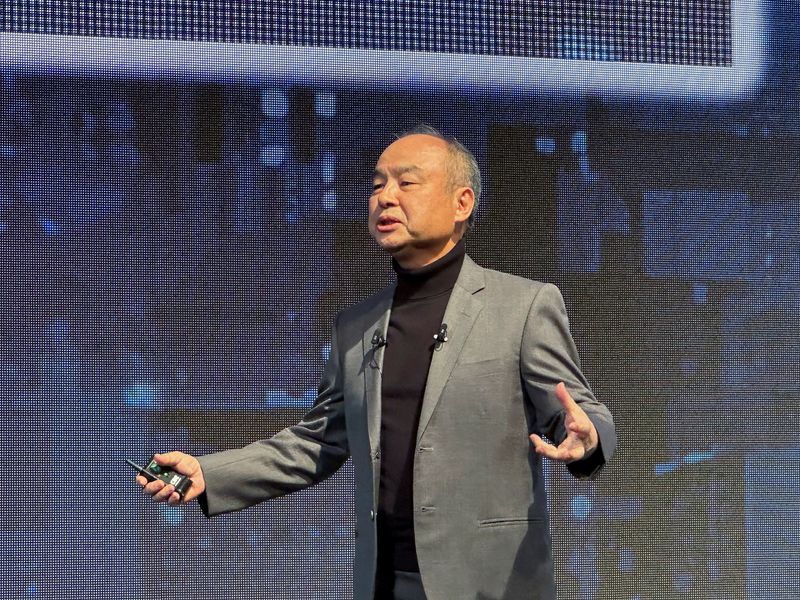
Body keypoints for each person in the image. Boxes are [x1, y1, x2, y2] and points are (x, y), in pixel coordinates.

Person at [137, 126, 616, 600]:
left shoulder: (523, 306)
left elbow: (578, 410)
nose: (385, 197)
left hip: (488, 584)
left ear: (462, 203)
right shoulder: (357, 326)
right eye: (377, 185)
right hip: (385, 581)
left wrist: (588, 437)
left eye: (406, 183)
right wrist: (209, 474)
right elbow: (316, 441)